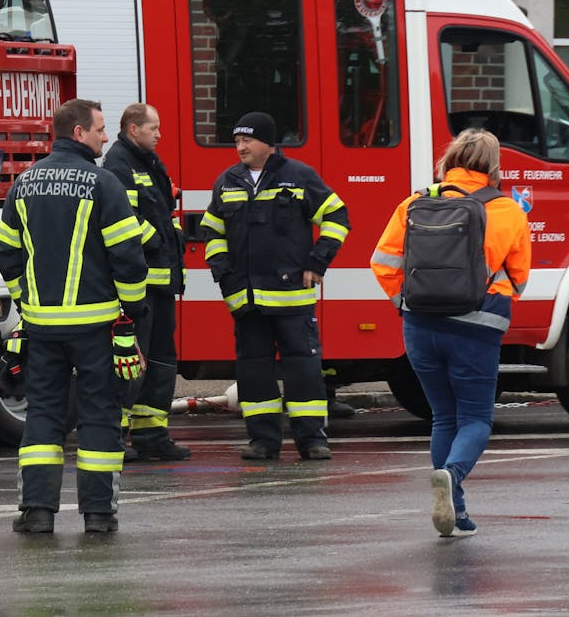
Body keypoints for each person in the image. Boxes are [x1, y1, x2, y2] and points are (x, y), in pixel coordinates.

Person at [369, 128, 530, 538]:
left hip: (420, 326)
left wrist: (405, 304)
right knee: (475, 418)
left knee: (443, 416)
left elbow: (382, 263)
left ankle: (455, 511)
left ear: (450, 162)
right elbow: (520, 279)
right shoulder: (509, 211)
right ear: (493, 166)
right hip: (476, 327)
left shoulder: (415, 203)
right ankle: (453, 476)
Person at [0, 98, 149, 534]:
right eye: (101, 128)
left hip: (43, 328)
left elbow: (8, 254)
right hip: (98, 327)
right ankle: (99, 515)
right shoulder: (103, 184)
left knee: (44, 413)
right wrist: (131, 312)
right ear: (78, 133)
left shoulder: (23, 184)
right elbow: (128, 257)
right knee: (100, 414)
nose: (107, 136)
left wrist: (28, 302)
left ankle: (38, 512)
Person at [197, 111, 349, 461]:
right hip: (246, 300)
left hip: (291, 297)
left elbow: (337, 217)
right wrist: (224, 275)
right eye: (236, 141)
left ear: (267, 142)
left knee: (304, 369)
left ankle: (311, 440)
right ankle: (263, 441)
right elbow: (212, 231)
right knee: (253, 370)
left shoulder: (298, 177)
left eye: (247, 140)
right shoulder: (228, 181)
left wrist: (317, 262)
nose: (240, 147)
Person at [102, 103, 190, 462]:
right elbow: (125, 218)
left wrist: (174, 238)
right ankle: (115, 436)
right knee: (131, 361)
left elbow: (164, 213)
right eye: (153, 127)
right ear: (133, 128)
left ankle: (152, 433)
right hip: (139, 285)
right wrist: (157, 239)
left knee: (162, 361)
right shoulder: (118, 165)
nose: (159, 134)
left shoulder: (151, 163)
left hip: (163, 280)